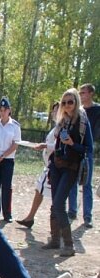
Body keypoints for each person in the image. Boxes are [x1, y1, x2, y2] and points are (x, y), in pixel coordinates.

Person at [42, 88, 92, 257]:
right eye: (64, 102)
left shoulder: (83, 122)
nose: (67, 105)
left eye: (70, 102)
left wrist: (72, 143)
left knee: (58, 204)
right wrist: (51, 163)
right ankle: (55, 240)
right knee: (55, 204)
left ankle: (69, 245)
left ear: (76, 102)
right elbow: (56, 144)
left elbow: (89, 148)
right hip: (57, 165)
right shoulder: (62, 121)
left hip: (71, 167)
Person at [16, 102, 59, 228]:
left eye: (56, 110)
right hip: (49, 167)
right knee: (39, 190)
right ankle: (30, 218)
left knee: (57, 198)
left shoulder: (62, 127)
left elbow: (59, 146)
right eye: (53, 111)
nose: (54, 113)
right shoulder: (56, 127)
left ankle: (59, 227)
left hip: (54, 168)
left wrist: (44, 146)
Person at [68, 83, 99, 228]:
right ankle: (72, 211)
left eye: (83, 93)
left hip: (87, 151)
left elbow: (96, 132)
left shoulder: (97, 110)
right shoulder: (77, 110)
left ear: (91, 93)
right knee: (72, 181)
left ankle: (87, 216)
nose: (81, 95)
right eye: (79, 93)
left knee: (86, 183)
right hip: (74, 149)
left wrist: (88, 144)